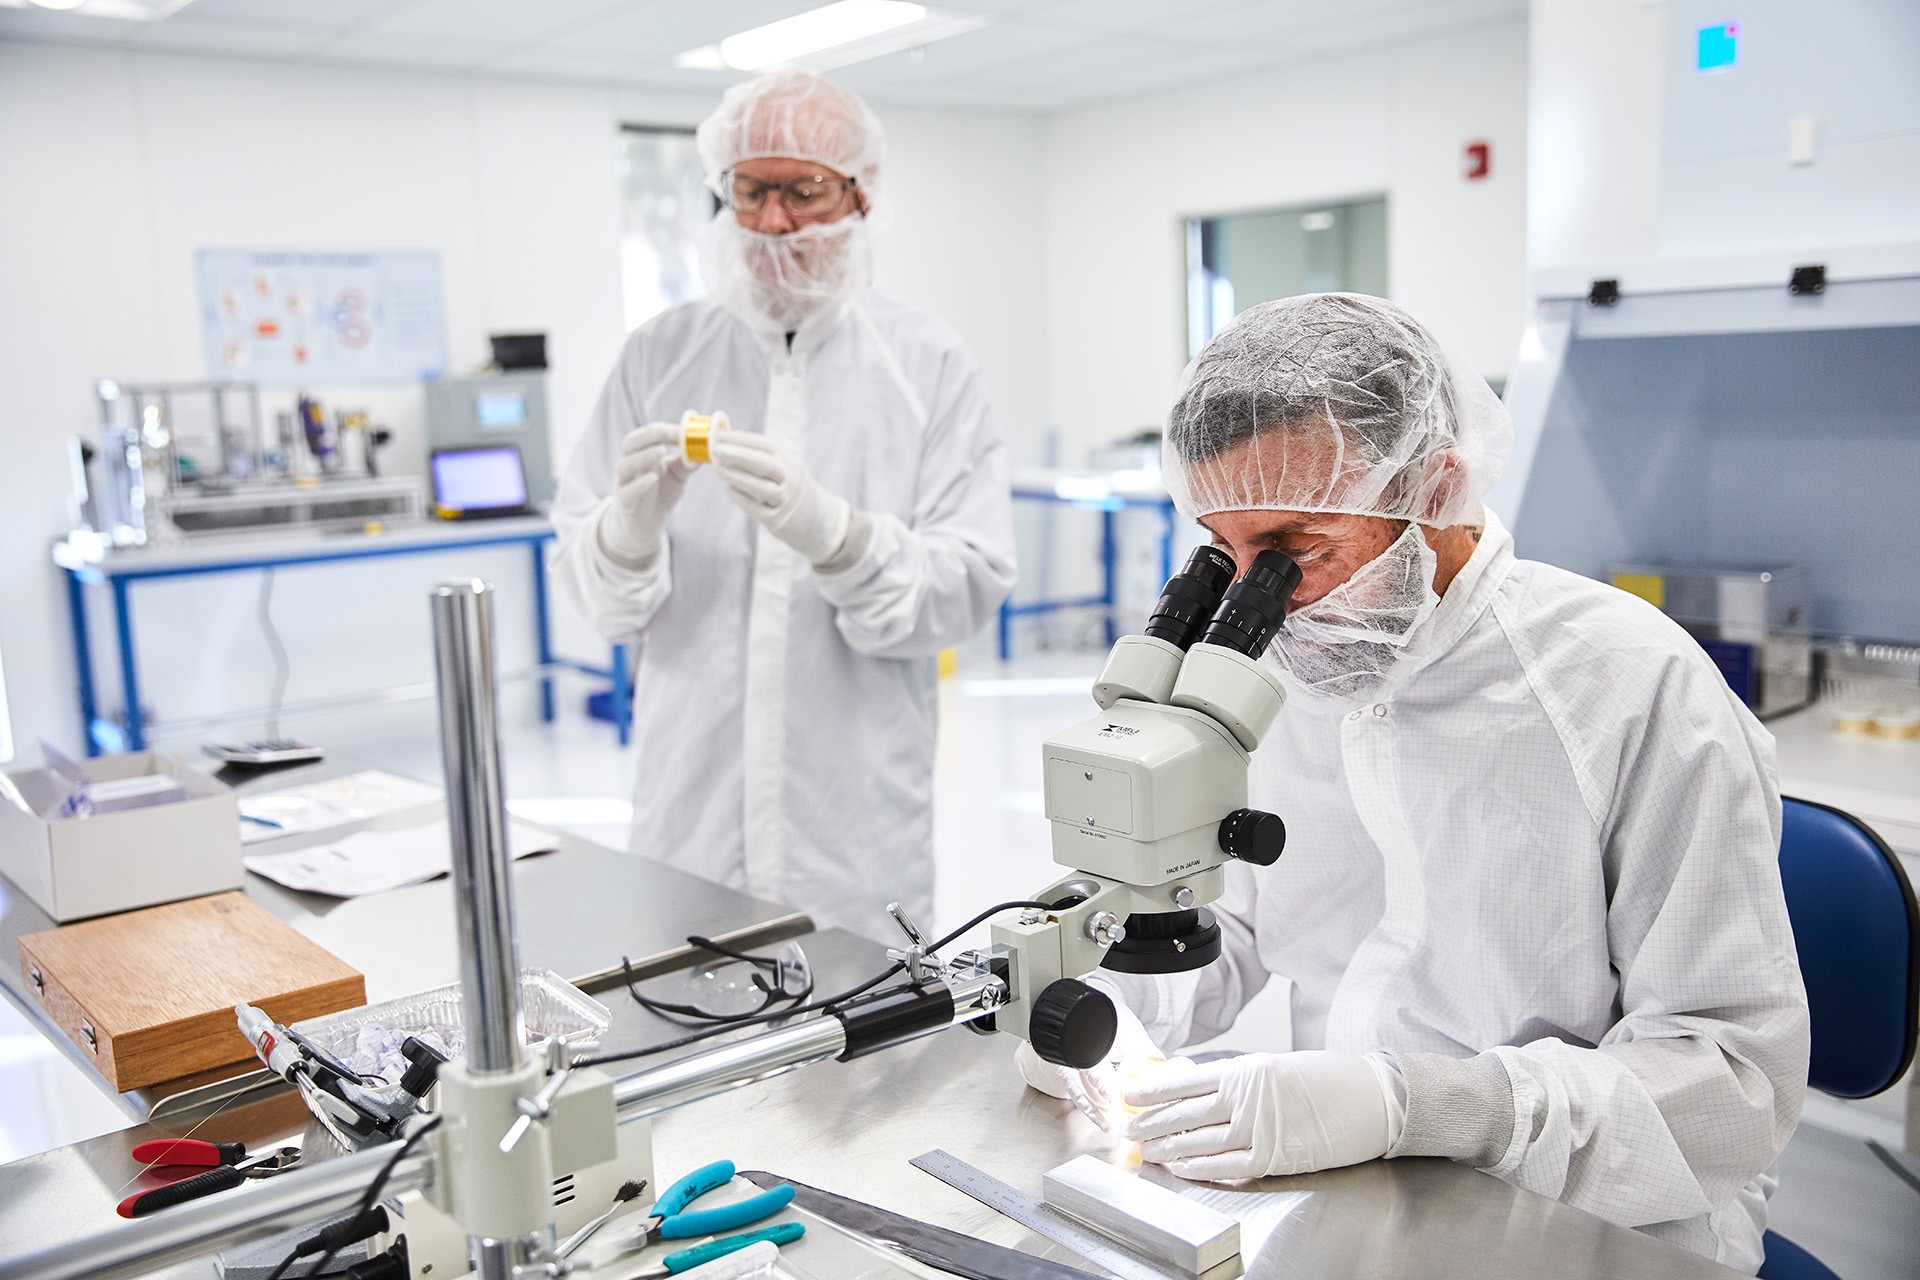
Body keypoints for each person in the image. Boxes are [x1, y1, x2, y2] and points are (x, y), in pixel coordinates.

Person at [1018, 294, 1809, 1273]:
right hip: (1346, 1194)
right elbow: (1247, 924)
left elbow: (1730, 1086)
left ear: (1434, 490)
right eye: (1228, 556)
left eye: (1299, 553)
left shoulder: (1627, 686)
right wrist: (1115, 1008)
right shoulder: (1283, 673)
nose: (1260, 602)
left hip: (1597, 1218)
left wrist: (1417, 1103)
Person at [553, 69, 1016, 939]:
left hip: (855, 836)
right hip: (686, 822)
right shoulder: (659, 356)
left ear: (860, 196)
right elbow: (597, 599)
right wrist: (625, 533)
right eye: (750, 191)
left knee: (866, 1058)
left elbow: (970, 584)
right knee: (684, 1037)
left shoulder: (928, 366)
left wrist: (838, 538)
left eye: (803, 192)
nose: (771, 223)